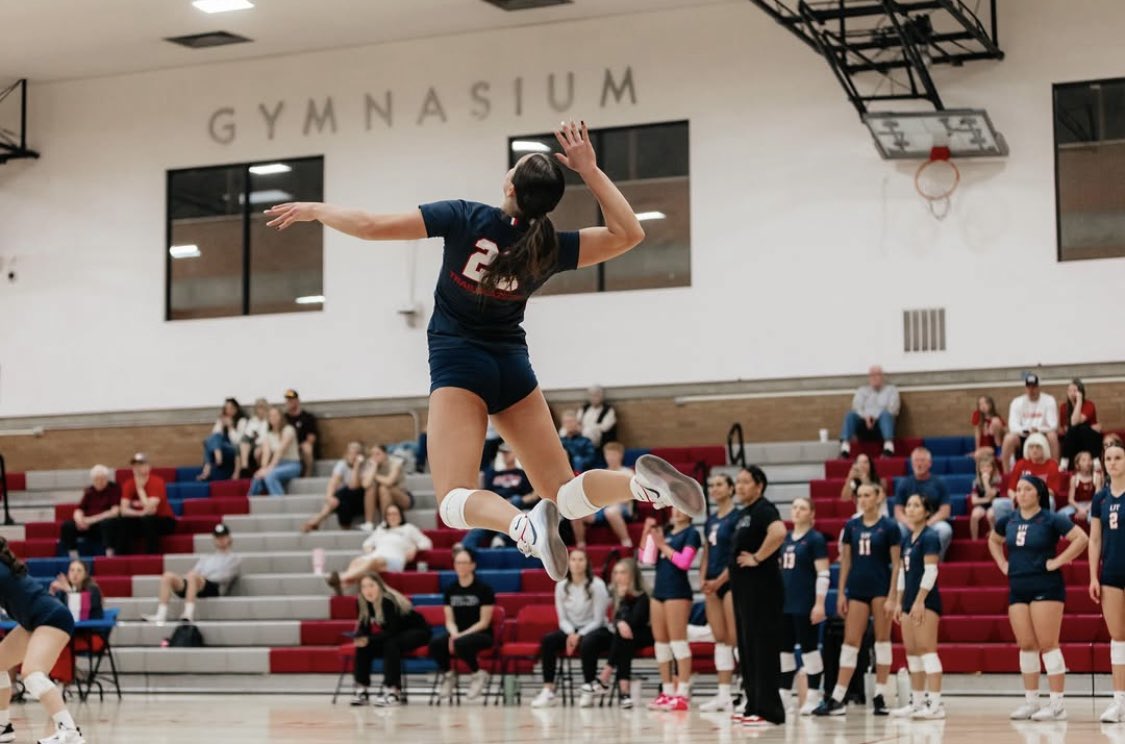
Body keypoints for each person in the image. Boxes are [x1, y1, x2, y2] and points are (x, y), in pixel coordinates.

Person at [265, 121, 704, 581]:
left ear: (509, 185)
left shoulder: (465, 217)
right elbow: (628, 232)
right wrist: (590, 170)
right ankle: (642, 486)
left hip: (460, 367)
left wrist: (317, 209)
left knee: (454, 502)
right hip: (512, 368)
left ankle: (522, 525)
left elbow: (372, 227)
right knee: (565, 492)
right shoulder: (549, 246)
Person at [989, 475, 1087, 721]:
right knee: (1026, 645)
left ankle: (1057, 705)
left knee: (1048, 643)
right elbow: (993, 539)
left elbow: (1081, 539)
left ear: (1038, 493)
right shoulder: (1008, 520)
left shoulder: (1051, 518)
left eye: (1027, 489)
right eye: (1018, 489)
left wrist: (1057, 561)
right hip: (1018, 587)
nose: (1020, 493)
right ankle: (1032, 702)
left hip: (1046, 586)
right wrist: (1002, 563)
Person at [814, 483, 900, 717]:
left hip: (881, 589)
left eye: (867, 495)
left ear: (878, 497)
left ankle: (880, 695)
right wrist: (841, 592)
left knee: (882, 641)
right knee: (850, 642)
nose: (862, 499)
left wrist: (893, 596)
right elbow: (846, 563)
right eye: (859, 496)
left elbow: (897, 564)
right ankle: (837, 697)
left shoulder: (889, 526)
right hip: (857, 590)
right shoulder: (851, 526)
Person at [0, 538, 86, 744]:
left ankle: (70, 732)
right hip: (34, 621)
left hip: (52, 618)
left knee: (32, 674)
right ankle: (3, 727)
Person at [730, 466, 788, 727]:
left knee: (763, 649)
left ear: (759, 485)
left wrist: (757, 558)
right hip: (744, 592)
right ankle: (754, 704)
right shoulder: (745, 513)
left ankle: (770, 710)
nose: (739, 486)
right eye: (738, 482)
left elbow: (778, 532)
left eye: (745, 482)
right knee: (748, 648)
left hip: (763, 591)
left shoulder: (765, 509)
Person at [529, 550, 611, 709]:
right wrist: (571, 634)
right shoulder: (561, 586)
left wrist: (578, 635)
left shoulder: (597, 585)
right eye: (573, 559)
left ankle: (589, 688)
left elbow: (598, 619)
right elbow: (563, 619)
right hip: (570, 630)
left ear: (587, 563)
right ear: (568, 563)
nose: (577, 563)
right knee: (548, 640)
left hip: (596, 629)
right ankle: (548, 690)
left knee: (588, 642)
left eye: (581, 559)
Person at [891, 494, 945, 720]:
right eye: (909, 505)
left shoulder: (930, 536)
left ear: (926, 511)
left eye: (916, 505)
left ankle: (936, 704)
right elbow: (903, 572)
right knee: (912, 652)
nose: (910, 509)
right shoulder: (908, 539)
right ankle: (917, 701)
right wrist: (898, 601)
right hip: (908, 602)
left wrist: (920, 600)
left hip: (926, 602)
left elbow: (932, 570)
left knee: (926, 650)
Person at [641, 508, 700, 712]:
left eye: (682, 507)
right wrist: (646, 532)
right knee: (662, 644)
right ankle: (666, 691)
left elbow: (684, 562)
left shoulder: (692, 533)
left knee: (678, 642)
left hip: (678, 592)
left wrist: (662, 545)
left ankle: (682, 693)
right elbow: (646, 559)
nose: (677, 511)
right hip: (659, 591)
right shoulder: (664, 531)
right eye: (674, 507)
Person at [349, 573, 432, 708]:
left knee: (391, 644)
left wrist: (368, 639)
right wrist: (359, 638)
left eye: (371, 585)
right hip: (396, 633)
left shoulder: (388, 600)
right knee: (363, 646)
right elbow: (365, 628)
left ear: (380, 586)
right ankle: (361, 690)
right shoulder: (362, 602)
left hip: (418, 631)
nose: (367, 590)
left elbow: (392, 631)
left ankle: (393, 691)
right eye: (364, 587)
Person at [779, 498, 829, 716]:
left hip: (805, 603)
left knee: (809, 649)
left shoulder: (815, 539)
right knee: (784, 652)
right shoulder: (784, 540)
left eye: (803, 508)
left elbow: (823, 573)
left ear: (812, 514)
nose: (797, 511)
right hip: (785, 604)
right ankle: (784, 696)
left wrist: (819, 603)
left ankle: (814, 695)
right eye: (795, 507)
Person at [429, 549, 496, 703]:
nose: (461, 566)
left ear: (473, 565)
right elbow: (449, 620)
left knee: (460, 643)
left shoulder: (484, 589)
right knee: (436, 643)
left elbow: (484, 622)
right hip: (458, 633)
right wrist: (453, 634)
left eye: (465, 563)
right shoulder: (450, 590)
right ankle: (449, 675)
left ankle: (477, 673)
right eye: (458, 562)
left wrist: (460, 636)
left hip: (482, 634)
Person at [698, 473, 740, 713]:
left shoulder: (736, 518)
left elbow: (735, 555)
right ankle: (723, 694)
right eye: (711, 485)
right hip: (711, 582)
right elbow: (706, 551)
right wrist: (704, 577)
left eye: (719, 484)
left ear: (731, 488)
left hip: (731, 582)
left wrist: (720, 580)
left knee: (735, 639)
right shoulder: (710, 520)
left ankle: (745, 690)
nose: (714, 489)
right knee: (720, 640)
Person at [1089, 441, 1125, 723]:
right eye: (1108, 458)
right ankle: (1119, 701)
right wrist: (1092, 575)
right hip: (1111, 574)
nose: (1112, 462)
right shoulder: (1100, 498)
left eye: (1118, 457)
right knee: (1118, 638)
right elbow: (1095, 539)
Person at [144, 524, 240, 624]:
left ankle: (188, 614)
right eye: (218, 537)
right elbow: (194, 571)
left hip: (215, 587)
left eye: (223, 537)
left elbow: (225, 577)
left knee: (193, 577)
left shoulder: (234, 558)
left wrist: (202, 577)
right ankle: (161, 614)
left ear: (229, 538)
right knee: (168, 576)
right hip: (198, 583)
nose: (220, 540)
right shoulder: (206, 558)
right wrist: (194, 577)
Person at [327, 504, 433, 594]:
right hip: (376, 555)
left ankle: (342, 578)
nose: (392, 516)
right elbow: (367, 543)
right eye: (389, 514)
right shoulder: (381, 529)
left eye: (395, 513)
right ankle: (342, 586)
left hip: (395, 559)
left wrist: (415, 548)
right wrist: (369, 549)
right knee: (356, 561)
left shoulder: (408, 528)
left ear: (400, 515)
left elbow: (427, 543)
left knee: (374, 561)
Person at [593, 557, 652, 709]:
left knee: (623, 637)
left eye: (623, 572)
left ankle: (606, 675)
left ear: (632, 575)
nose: (618, 576)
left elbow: (635, 621)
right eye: (616, 573)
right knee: (623, 640)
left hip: (646, 634)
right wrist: (619, 621)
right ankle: (624, 693)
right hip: (626, 638)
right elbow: (614, 621)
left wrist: (624, 602)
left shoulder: (642, 596)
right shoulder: (614, 593)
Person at [462, 444, 537, 550]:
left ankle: (500, 538)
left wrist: (511, 502)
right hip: (495, 506)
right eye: (503, 453)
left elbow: (533, 495)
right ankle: (465, 548)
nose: (505, 455)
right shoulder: (493, 474)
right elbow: (485, 494)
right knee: (479, 527)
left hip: (516, 507)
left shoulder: (523, 474)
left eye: (507, 453)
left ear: (515, 453)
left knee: (515, 499)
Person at [572, 441, 634, 549]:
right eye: (608, 455)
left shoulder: (627, 472)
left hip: (621, 507)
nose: (610, 458)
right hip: (602, 507)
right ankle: (580, 544)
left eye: (613, 454)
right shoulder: (601, 473)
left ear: (620, 455)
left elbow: (628, 498)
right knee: (576, 514)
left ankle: (626, 542)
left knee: (611, 511)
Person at [892, 448, 953, 558]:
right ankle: (902, 562)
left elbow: (945, 511)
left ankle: (936, 560)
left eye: (922, 460)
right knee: (897, 529)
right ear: (911, 463)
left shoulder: (939, 483)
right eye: (916, 460)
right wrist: (910, 524)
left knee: (945, 530)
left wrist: (925, 525)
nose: (919, 464)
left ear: (930, 463)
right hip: (909, 522)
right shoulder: (904, 483)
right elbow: (898, 512)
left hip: (932, 522)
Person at [302, 442, 373, 534]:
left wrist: (356, 466)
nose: (353, 456)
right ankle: (321, 520)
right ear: (346, 454)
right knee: (337, 499)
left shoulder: (365, 466)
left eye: (356, 453)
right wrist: (329, 497)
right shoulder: (342, 464)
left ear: (361, 455)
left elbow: (354, 485)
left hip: (361, 499)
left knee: (345, 492)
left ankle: (317, 519)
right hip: (345, 499)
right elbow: (333, 482)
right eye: (350, 453)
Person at [991, 433, 1062, 526]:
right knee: (997, 504)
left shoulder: (1052, 465)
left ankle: (1043, 530)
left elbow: (1052, 491)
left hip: (1040, 501)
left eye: (1038, 447)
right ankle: (1008, 531)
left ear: (1044, 448)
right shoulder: (1020, 464)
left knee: (1050, 501)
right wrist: (1016, 499)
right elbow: (1010, 490)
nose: (1034, 450)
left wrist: (1032, 498)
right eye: (1031, 447)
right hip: (1021, 499)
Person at [112, 453, 174, 555]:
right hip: (141, 519)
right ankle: (121, 556)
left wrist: (140, 489)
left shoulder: (157, 481)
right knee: (123, 521)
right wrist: (140, 514)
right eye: (135, 465)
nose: (137, 468)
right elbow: (123, 510)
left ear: (148, 467)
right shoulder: (128, 484)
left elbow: (150, 509)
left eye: (140, 465)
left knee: (148, 519)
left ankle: (151, 555)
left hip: (164, 520)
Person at [59, 465, 120, 559]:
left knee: (107, 524)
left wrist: (91, 520)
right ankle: (73, 555)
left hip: (102, 524)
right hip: (87, 524)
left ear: (107, 479)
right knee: (67, 525)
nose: (99, 482)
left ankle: (109, 555)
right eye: (96, 479)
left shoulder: (114, 489)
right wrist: (80, 520)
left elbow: (114, 511)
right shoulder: (90, 491)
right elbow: (79, 509)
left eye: (102, 479)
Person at [839, 365, 900, 458]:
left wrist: (874, 418)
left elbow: (893, 409)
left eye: (877, 375)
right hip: (864, 426)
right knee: (850, 414)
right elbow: (857, 407)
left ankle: (888, 449)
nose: (875, 378)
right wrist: (866, 418)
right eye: (872, 375)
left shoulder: (891, 390)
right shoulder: (861, 391)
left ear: (882, 376)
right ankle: (845, 449)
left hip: (882, 426)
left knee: (886, 414)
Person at [1001, 373, 1059, 467]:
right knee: (1008, 438)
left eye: (1034, 387)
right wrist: (1027, 430)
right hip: (1023, 434)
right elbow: (1013, 426)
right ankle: (1007, 474)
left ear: (1038, 387)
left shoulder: (1049, 400)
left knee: (1052, 436)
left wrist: (1038, 430)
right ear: (1025, 388)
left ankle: (1055, 468)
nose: (1031, 390)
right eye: (1029, 387)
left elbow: (1053, 424)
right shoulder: (1017, 402)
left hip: (1042, 433)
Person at [249, 407, 301, 497]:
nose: (272, 418)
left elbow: (280, 450)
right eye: (270, 416)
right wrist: (263, 468)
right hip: (277, 465)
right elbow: (266, 453)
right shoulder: (268, 435)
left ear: (281, 417)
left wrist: (269, 469)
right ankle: (250, 502)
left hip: (292, 464)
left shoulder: (288, 429)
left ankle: (280, 504)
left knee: (270, 475)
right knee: (257, 477)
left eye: (275, 415)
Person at [198, 398, 246, 482]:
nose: (228, 411)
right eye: (226, 408)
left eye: (231, 408)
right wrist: (221, 424)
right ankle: (213, 461)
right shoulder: (221, 420)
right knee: (210, 440)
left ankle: (207, 468)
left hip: (235, 450)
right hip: (221, 449)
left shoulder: (242, 421)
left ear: (236, 409)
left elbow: (238, 442)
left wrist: (230, 427)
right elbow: (214, 437)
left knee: (207, 442)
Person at [1059, 379, 1102, 471]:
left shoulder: (1089, 405)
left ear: (1081, 392)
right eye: (1069, 390)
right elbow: (1067, 428)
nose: (1071, 393)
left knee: (1082, 428)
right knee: (1074, 429)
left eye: (1074, 390)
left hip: (1090, 439)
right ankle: (1064, 462)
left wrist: (1078, 402)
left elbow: (1074, 421)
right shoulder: (1063, 407)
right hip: (1073, 440)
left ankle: (1095, 459)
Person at [363, 444, 413, 521]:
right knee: (371, 488)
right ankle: (368, 523)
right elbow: (365, 485)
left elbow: (389, 482)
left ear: (385, 454)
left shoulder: (395, 463)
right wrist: (373, 468)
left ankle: (385, 522)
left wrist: (373, 475)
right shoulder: (370, 464)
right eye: (372, 454)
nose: (374, 457)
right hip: (381, 498)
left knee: (384, 487)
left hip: (401, 496)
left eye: (378, 454)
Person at [969, 448, 1004, 540]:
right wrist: (987, 499)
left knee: (991, 515)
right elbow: (974, 500)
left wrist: (986, 482)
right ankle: (974, 539)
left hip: (994, 505)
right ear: (979, 469)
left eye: (988, 467)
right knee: (974, 515)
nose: (985, 470)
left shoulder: (998, 480)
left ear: (993, 468)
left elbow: (991, 495)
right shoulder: (976, 482)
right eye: (983, 467)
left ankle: (994, 538)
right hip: (982, 505)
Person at [283, 389, 319, 477]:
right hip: (286, 447)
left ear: (297, 401)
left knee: (307, 448)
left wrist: (299, 446)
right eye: (288, 400)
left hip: (301, 448)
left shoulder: (307, 417)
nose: (289, 402)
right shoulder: (284, 419)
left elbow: (311, 437)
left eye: (291, 400)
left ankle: (308, 475)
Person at [575, 385, 618, 450]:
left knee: (588, 431)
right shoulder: (584, 408)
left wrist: (589, 427)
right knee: (564, 431)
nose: (594, 398)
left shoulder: (608, 410)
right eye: (591, 395)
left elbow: (605, 427)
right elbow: (577, 421)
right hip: (581, 432)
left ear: (601, 396)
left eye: (596, 395)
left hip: (599, 437)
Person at [1059, 451, 1097, 523]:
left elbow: (1097, 498)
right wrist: (1080, 509)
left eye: (1089, 459)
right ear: (1077, 464)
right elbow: (1070, 499)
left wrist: (1086, 509)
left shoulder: (1096, 477)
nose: (1087, 462)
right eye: (1084, 460)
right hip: (1077, 505)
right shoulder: (1074, 478)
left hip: (1092, 505)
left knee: (1093, 517)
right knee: (1061, 515)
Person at [238, 398, 270, 478]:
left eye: (263, 407)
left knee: (258, 451)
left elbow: (268, 435)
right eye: (259, 408)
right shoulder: (253, 421)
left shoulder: (269, 420)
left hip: (265, 443)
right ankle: (244, 468)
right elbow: (248, 434)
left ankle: (261, 471)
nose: (261, 410)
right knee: (244, 441)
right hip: (253, 442)